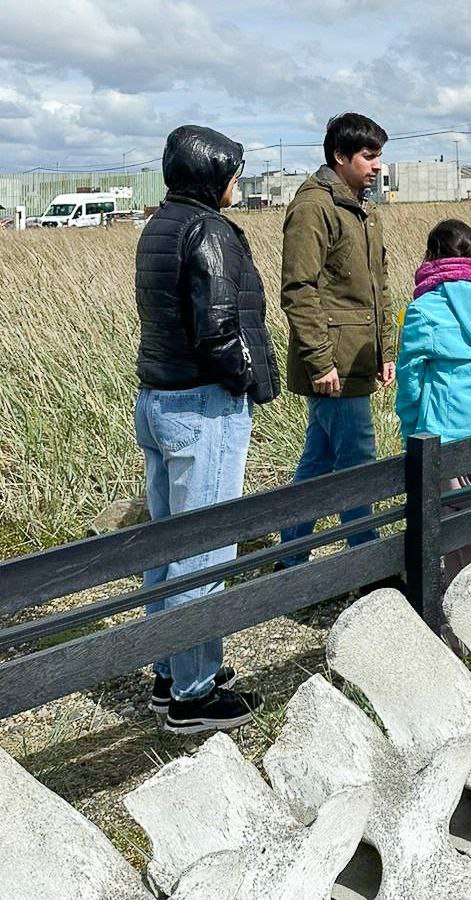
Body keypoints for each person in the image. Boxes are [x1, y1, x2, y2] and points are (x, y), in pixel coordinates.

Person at [134, 124, 279, 734]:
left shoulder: (159, 226)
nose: (236, 184)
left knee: (167, 545)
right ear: (211, 174)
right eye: (232, 174)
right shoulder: (209, 230)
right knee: (205, 550)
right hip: (203, 405)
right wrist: (250, 378)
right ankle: (193, 696)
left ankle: (171, 672)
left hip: (159, 398)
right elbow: (219, 330)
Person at [278, 113, 395, 566]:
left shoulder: (361, 208)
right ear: (339, 156)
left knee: (321, 459)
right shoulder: (314, 207)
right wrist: (320, 360)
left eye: (379, 156)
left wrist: (385, 349)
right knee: (358, 462)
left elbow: (377, 288)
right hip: (334, 364)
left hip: (357, 358)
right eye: (368, 156)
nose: (377, 165)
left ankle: (291, 555)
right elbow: (298, 289)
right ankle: (367, 563)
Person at [395, 219, 471, 586]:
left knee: (450, 526)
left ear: (431, 256)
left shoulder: (424, 310)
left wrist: (411, 430)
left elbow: (410, 381)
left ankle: (461, 602)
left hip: (444, 435)